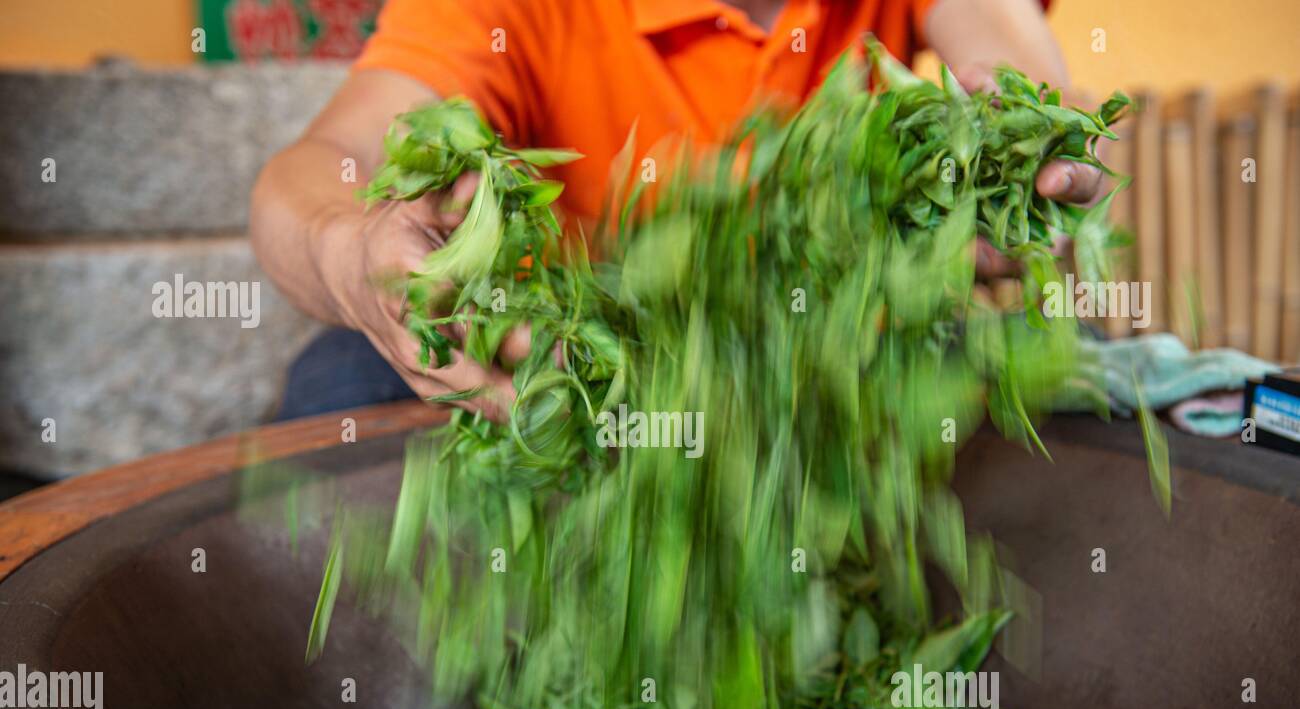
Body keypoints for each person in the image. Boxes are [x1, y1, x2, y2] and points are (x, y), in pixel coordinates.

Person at [251, 0, 1101, 421]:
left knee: (1046, 370)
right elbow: (324, 164)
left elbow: (1004, 48)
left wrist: (1016, 146)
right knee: (341, 378)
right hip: (574, 384)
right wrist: (349, 253)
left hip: (824, 369)